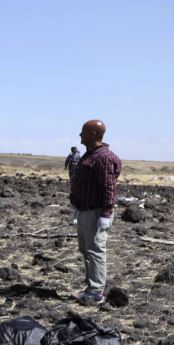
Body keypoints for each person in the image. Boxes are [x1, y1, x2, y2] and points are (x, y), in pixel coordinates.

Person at [70, 119, 122, 305]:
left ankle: (97, 291)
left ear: (93, 134)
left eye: (83, 131)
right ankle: (91, 287)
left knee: (95, 251)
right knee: (86, 250)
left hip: (96, 212)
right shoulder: (90, 155)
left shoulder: (103, 158)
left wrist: (106, 214)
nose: (80, 135)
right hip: (85, 210)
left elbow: (109, 188)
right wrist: (76, 205)